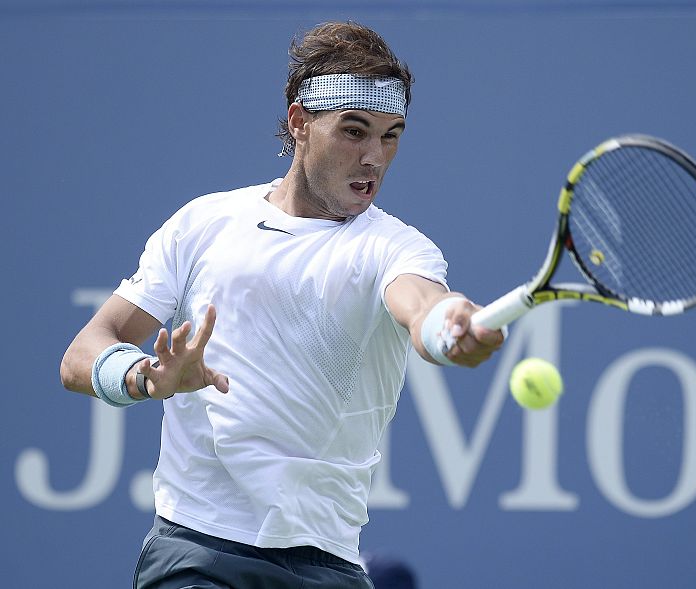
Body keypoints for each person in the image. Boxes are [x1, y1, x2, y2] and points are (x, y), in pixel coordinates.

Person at [61, 20, 504, 589]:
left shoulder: (398, 248)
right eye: (354, 131)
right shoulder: (203, 223)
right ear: (299, 122)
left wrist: (447, 325)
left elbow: (422, 306)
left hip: (326, 559)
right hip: (197, 548)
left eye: (391, 135)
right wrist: (146, 377)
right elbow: (82, 355)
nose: (374, 157)